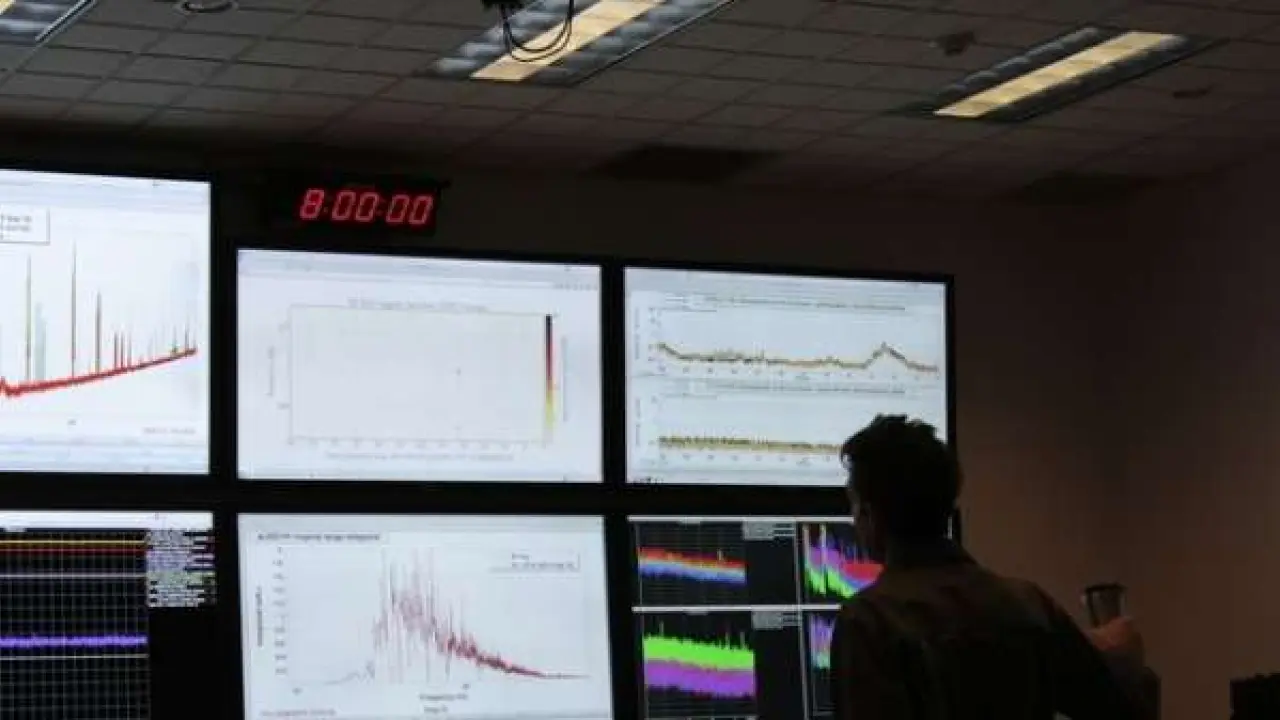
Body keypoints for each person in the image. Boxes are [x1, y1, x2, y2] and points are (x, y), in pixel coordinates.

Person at [830, 415, 1158, 720]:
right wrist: (1124, 661)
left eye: (855, 507)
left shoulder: (869, 622)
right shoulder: (1029, 605)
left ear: (870, 516)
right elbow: (1125, 710)